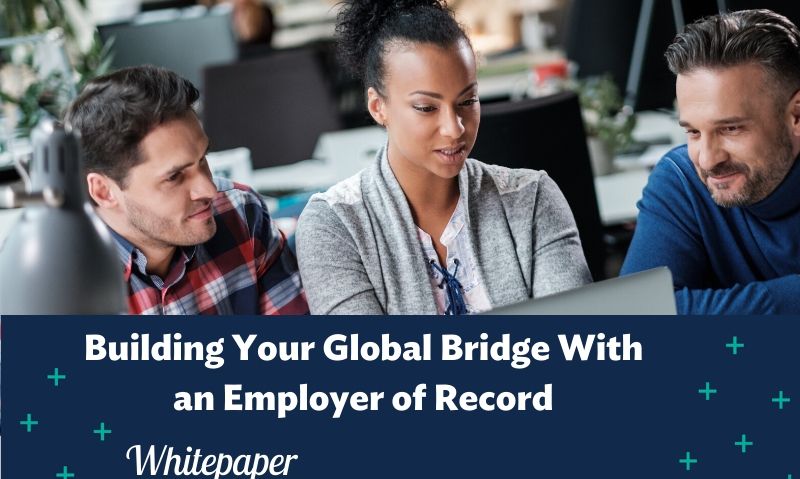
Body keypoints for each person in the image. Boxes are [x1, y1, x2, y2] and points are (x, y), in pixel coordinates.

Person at [295, 0, 591, 315]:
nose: (454, 128)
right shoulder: (334, 225)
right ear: (378, 106)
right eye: (426, 107)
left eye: (467, 101)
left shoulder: (532, 197)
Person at [65, 65, 308, 315]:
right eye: (174, 176)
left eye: (202, 159)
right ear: (104, 191)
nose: (209, 190)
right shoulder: (63, 288)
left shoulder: (242, 214)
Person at [620, 9, 800, 314]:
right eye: (692, 132)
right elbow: (634, 316)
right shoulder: (682, 179)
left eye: (731, 129)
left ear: (796, 115)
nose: (707, 159)